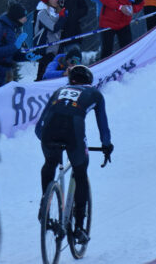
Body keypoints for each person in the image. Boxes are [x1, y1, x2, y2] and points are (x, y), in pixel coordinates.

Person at [35, 65, 113, 244]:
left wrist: (48, 144)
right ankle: (79, 227)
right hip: (73, 132)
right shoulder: (95, 94)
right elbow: (103, 125)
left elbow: (39, 126)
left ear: (70, 80)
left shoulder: (59, 91)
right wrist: (106, 145)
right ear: (89, 81)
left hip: (49, 132)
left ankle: (44, 205)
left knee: (50, 163)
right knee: (80, 172)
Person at [0, 1, 35, 90]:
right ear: (17, 17)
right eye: (23, 16)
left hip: (8, 72)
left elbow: (13, 54)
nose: (25, 19)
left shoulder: (13, 28)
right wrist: (15, 46)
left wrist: (26, 56)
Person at [34, 0, 67, 81]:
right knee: (43, 77)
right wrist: (62, 17)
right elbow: (53, 28)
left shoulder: (53, 12)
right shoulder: (42, 13)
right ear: (47, 0)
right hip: (46, 51)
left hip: (55, 50)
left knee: (54, 78)